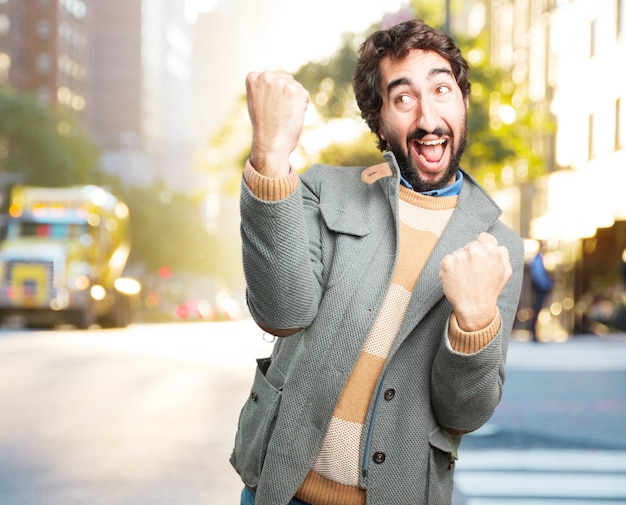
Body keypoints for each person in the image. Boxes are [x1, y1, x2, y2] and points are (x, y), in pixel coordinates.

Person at [230, 19, 524, 505]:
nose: (429, 118)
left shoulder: (498, 248)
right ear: (380, 121)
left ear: (464, 102)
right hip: (281, 490)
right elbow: (282, 313)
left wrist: (474, 323)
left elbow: (462, 414)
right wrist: (269, 155)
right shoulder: (321, 191)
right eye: (404, 98)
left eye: (443, 90)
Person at [528, 244, 553, 341]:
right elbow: (539, 276)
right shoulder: (538, 260)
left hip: (540, 287)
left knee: (537, 310)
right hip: (540, 288)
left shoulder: (538, 259)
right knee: (536, 310)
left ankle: (534, 332)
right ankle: (533, 333)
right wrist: (547, 285)